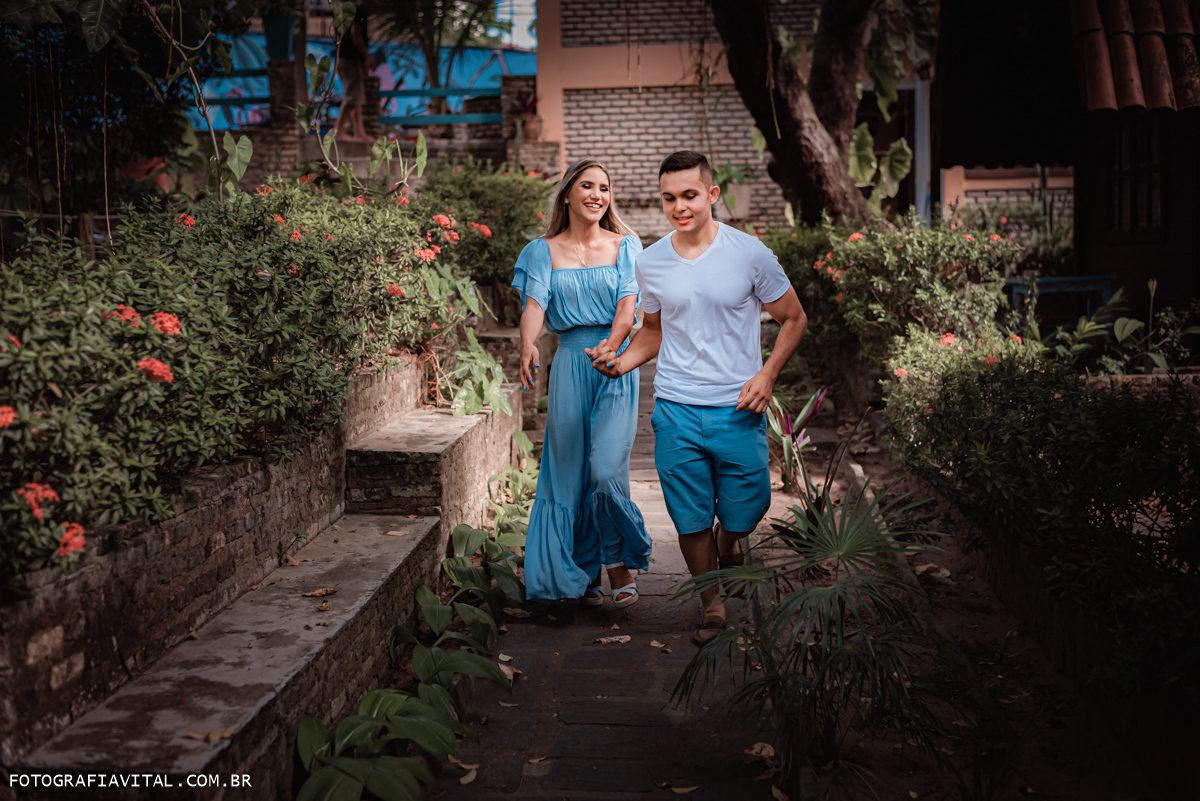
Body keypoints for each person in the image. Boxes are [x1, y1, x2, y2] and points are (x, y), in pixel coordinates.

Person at [589, 150, 808, 645]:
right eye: (669, 198)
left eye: (689, 195)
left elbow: (794, 318)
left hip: (738, 407)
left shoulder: (749, 253)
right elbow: (653, 331)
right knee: (689, 517)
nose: (679, 207)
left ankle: (730, 540)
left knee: (748, 507)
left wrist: (768, 374)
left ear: (712, 194)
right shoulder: (651, 261)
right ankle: (712, 604)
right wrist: (619, 363)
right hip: (676, 408)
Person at [514, 158, 652, 608]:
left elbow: (628, 306)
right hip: (571, 363)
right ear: (568, 194)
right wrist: (527, 343)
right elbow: (535, 304)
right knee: (568, 474)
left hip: (615, 366)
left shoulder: (627, 246)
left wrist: (612, 347)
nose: (597, 195)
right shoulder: (541, 250)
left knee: (605, 469)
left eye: (604, 188)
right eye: (588, 186)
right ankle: (579, 570)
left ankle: (618, 564)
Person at [334, 0, 378, 143]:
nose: (376, 9)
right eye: (375, 5)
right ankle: (338, 130)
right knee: (352, 95)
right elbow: (355, 34)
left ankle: (359, 132)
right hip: (348, 59)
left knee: (357, 96)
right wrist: (367, 56)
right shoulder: (358, 12)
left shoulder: (359, 13)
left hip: (352, 60)